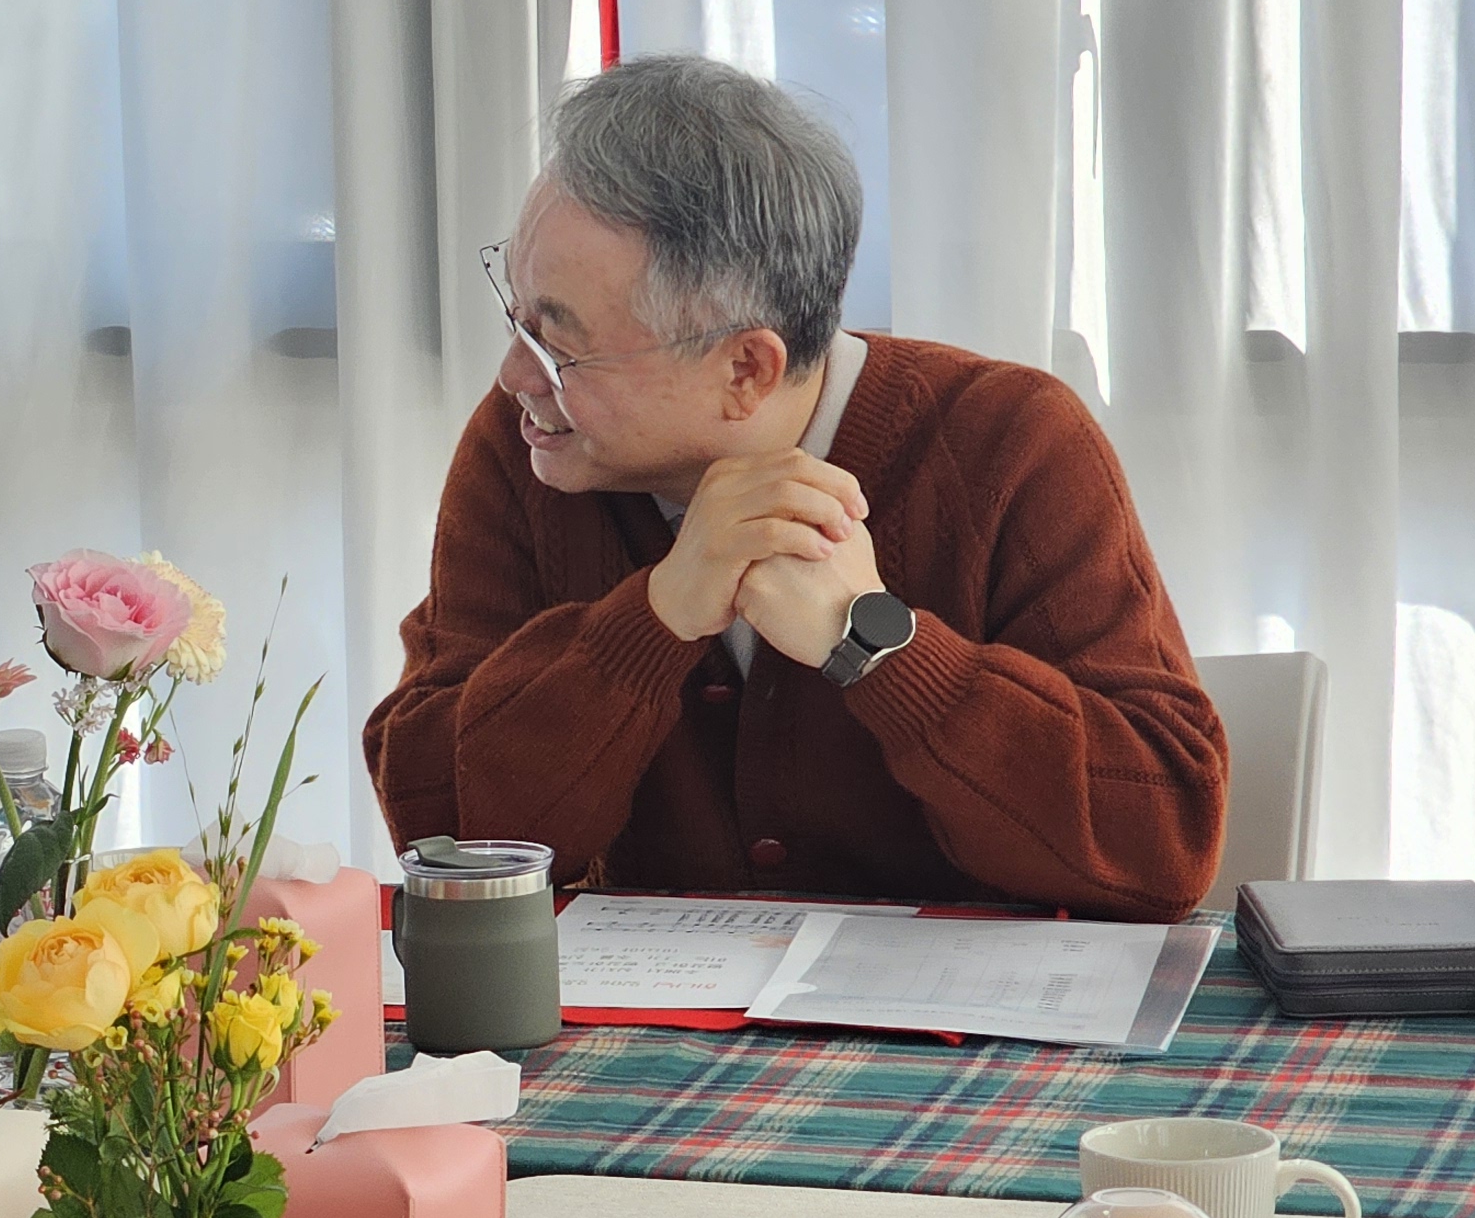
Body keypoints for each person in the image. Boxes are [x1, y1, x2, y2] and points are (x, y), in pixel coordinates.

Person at [363, 55, 1227, 917]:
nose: (515, 376)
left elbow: (1163, 845)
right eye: (517, 316)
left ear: (747, 369)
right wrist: (653, 620)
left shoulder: (1012, 443)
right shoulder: (529, 449)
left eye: (560, 346)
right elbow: (438, 835)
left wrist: (881, 650)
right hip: (652, 1001)